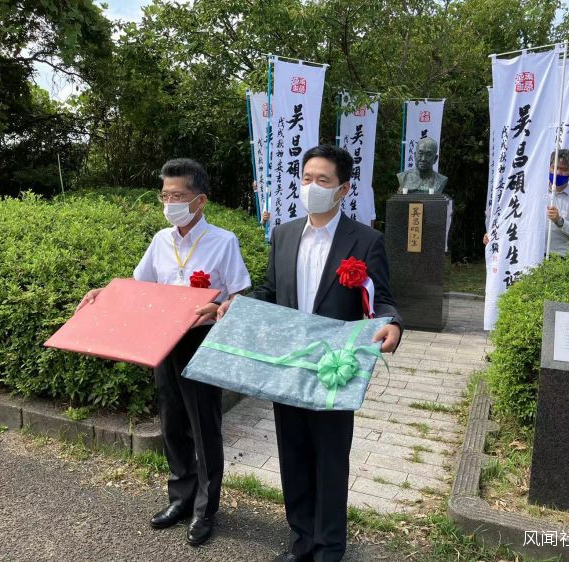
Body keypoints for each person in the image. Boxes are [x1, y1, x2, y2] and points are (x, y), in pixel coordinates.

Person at [219, 144, 402, 562]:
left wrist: (393, 323)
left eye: (323, 180)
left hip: (335, 369)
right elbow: (270, 290)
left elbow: (383, 299)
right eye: (306, 178)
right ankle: (301, 540)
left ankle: (329, 547)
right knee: (294, 454)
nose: (312, 187)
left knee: (330, 459)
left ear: (343, 189)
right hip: (288, 364)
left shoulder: (365, 241)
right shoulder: (284, 235)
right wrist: (239, 304)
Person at [77, 158, 251, 546]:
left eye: (178, 196)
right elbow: (138, 287)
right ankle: (180, 498)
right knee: (172, 421)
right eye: (165, 195)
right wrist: (104, 294)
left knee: (204, 426)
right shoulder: (161, 240)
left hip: (203, 340)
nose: (170, 203)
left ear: (200, 200)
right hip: (163, 340)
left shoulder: (223, 241)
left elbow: (240, 293)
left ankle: (206, 509)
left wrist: (220, 305)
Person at [481, 149, 569, 256]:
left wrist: (559, 221)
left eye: (564, 169)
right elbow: (512, 216)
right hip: (529, 254)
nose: (558, 172)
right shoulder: (530, 191)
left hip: (560, 257)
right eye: (554, 168)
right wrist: (494, 234)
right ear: (548, 167)